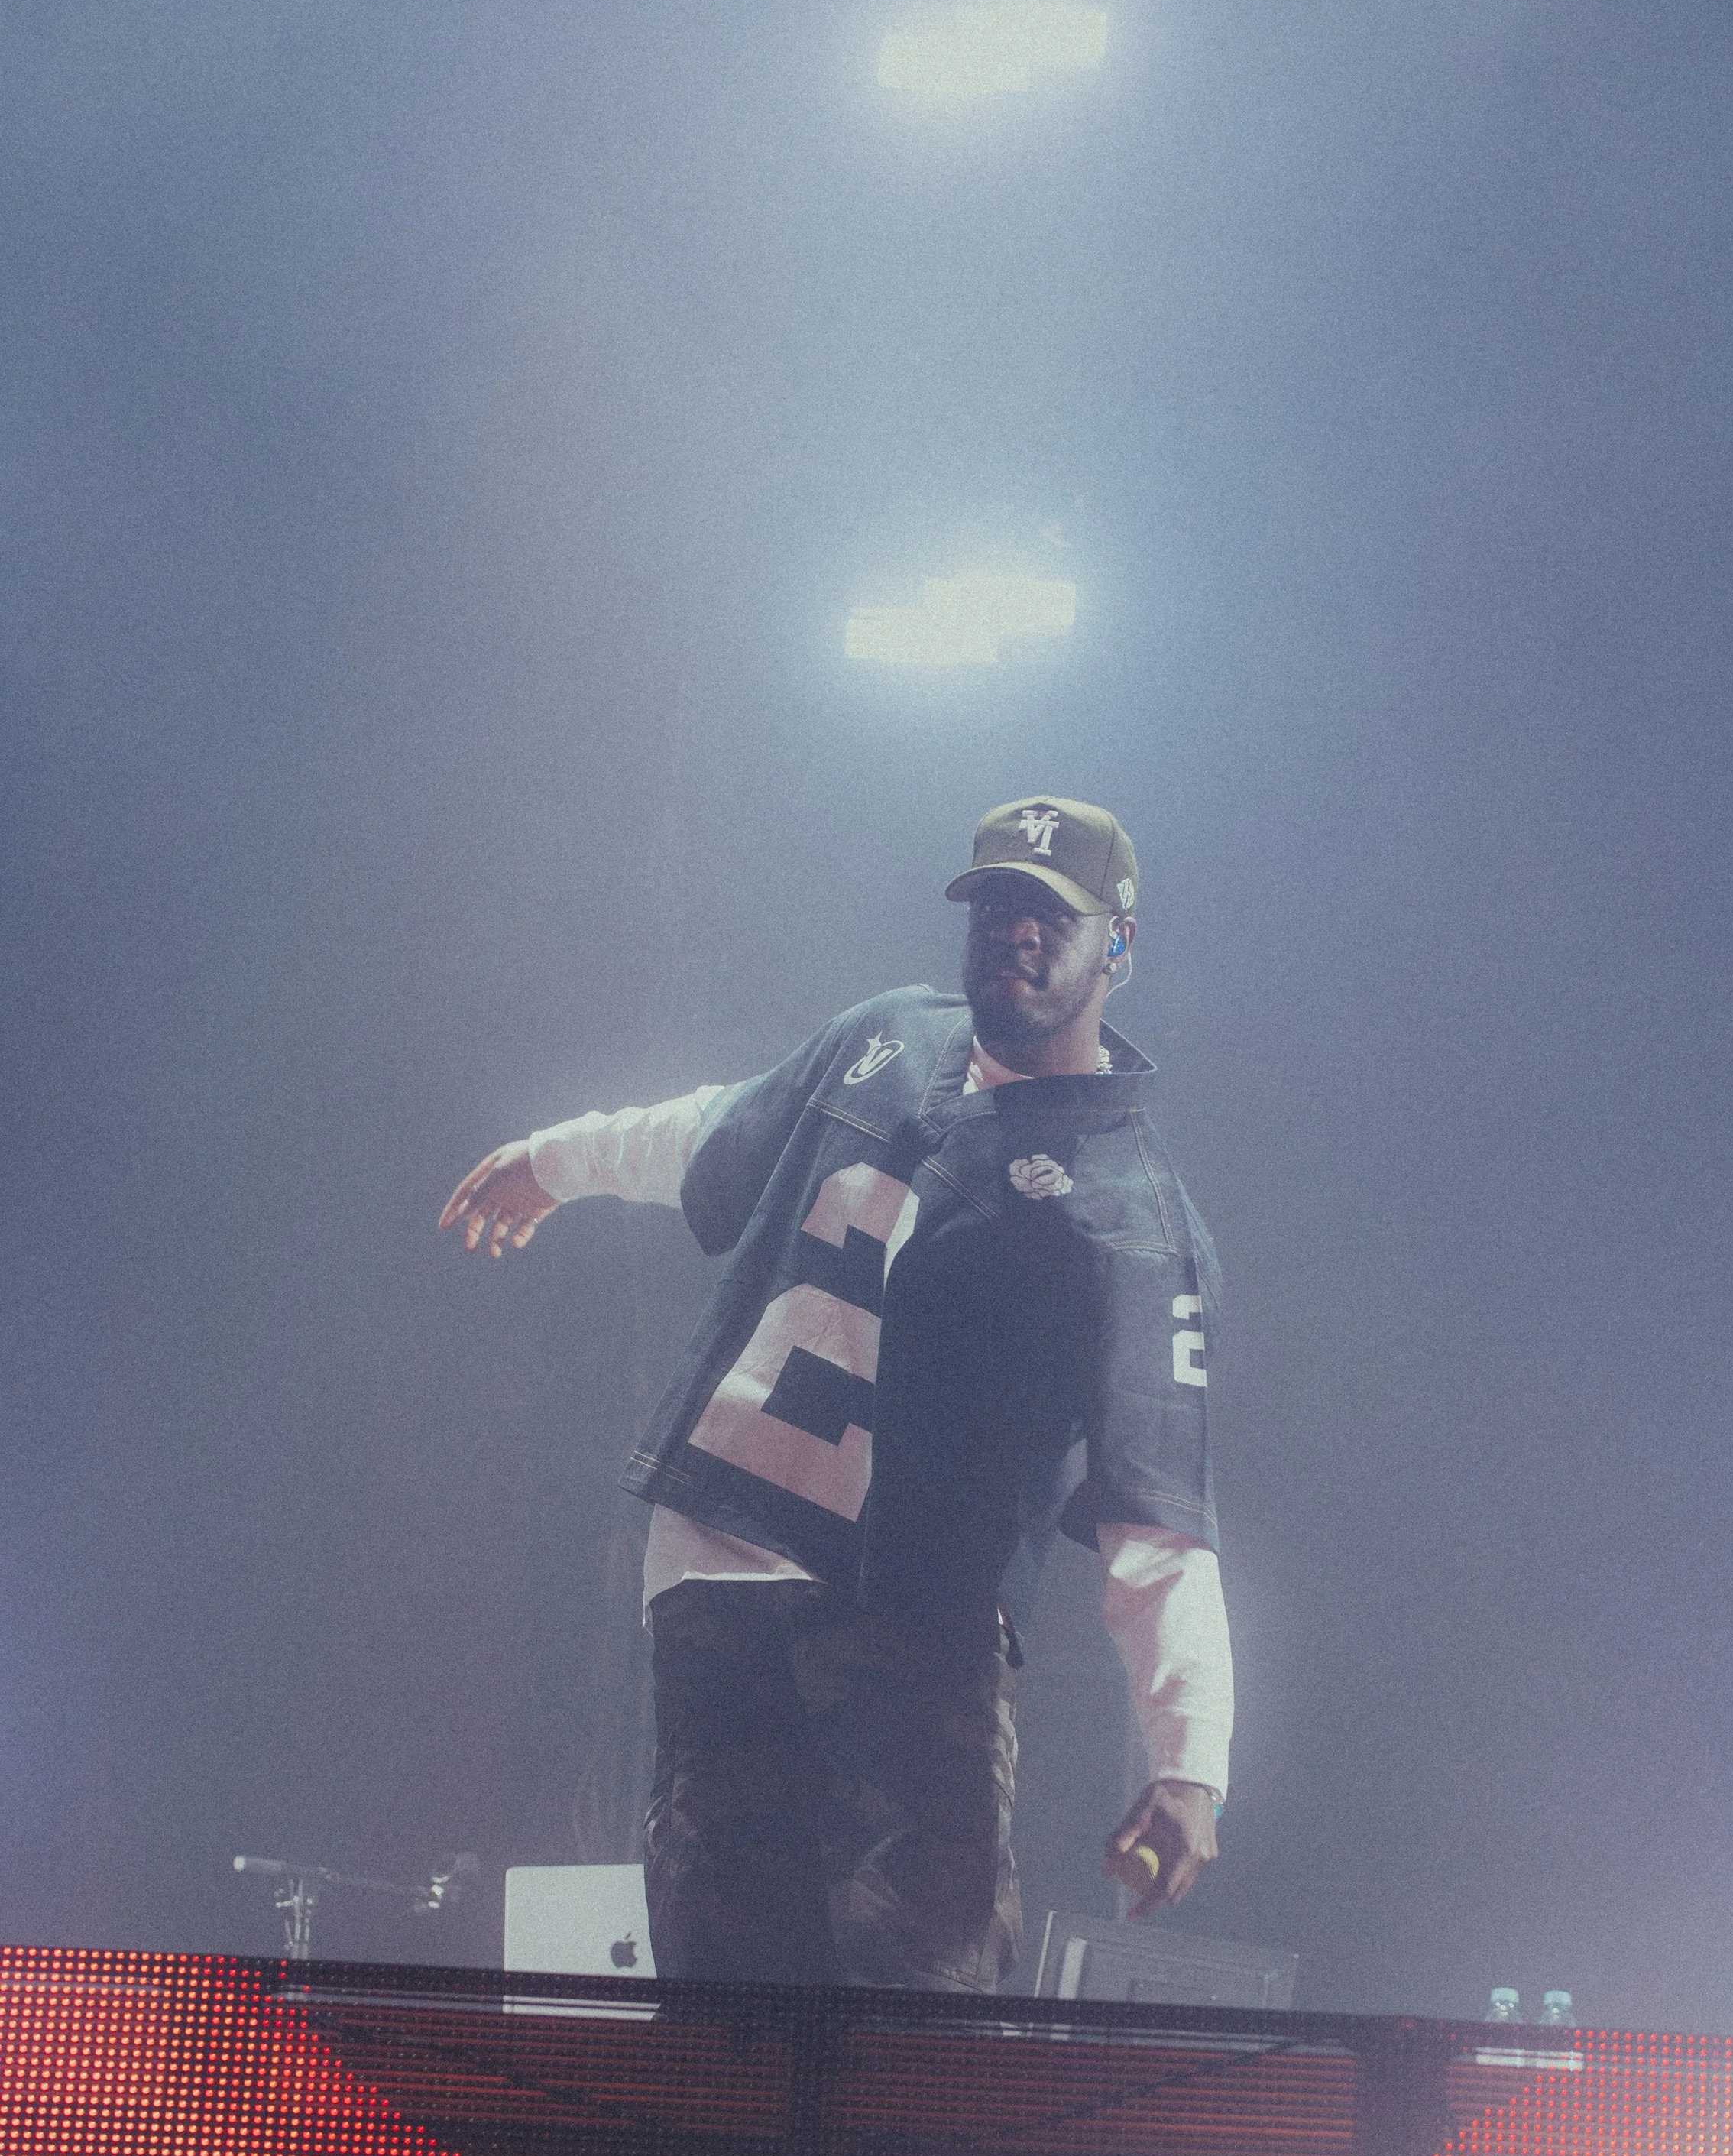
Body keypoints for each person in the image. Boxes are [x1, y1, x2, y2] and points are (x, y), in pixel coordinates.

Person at [439, 797, 1233, 1991]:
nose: (1013, 932)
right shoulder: (886, 1034)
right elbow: (718, 1130)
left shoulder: (1132, 1214)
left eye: (1049, 915)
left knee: (918, 2014)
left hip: (909, 1613)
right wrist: (556, 1161)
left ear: (1118, 943)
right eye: (996, 905)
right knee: (725, 2005)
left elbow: (1158, 1525)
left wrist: (1190, 1764)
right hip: (722, 1555)